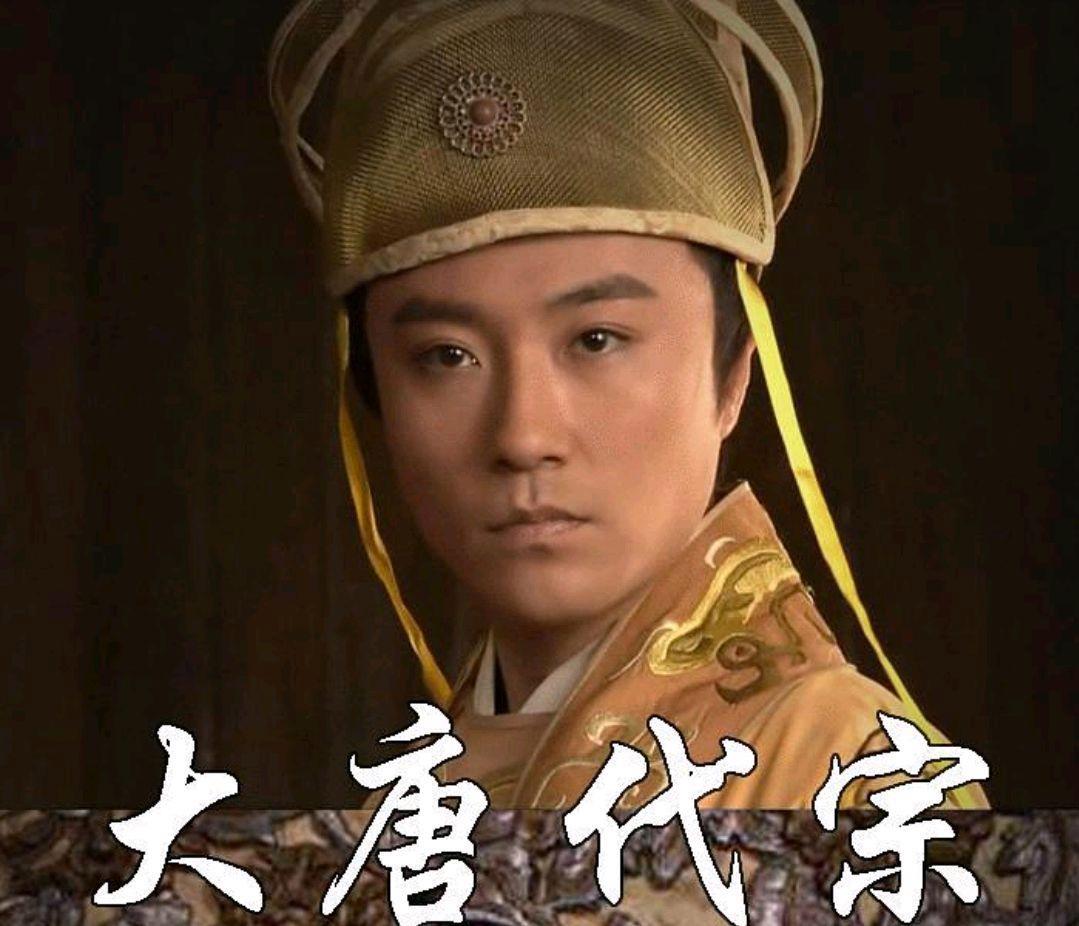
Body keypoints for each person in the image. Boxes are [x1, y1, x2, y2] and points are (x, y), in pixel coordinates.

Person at [268, 0, 987, 809]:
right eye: (447, 356)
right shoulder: (403, 814)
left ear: (732, 377)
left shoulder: (861, 778)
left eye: (596, 340)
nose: (523, 435)